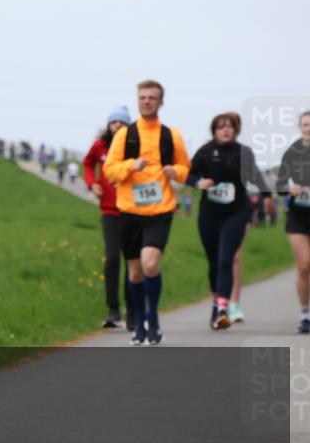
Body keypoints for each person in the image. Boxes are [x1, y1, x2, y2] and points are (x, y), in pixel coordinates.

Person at [103, 80, 191, 345]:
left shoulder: (171, 135)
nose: (147, 101)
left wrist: (176, 172)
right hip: (129, 210)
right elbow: (109, 170)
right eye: (143, 97)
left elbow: (186, 169)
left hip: (161, 209)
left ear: (161, 102)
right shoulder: (124, 135)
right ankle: (140, 321)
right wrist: (131, 165)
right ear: (137, 100)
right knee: (135, 273)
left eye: (152, 98)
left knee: (150, 263)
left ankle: (153, 318)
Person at [187, 112, 274, 330]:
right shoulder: (205, 152)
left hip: (236, 212)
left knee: (226, 258)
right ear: (214, 131)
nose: (225, 130)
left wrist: (267, 197)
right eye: (220, 127)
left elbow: (255, 175)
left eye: (229, 127)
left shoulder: (243, 153)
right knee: (214, 261)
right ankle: (216, 306)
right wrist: (198, 183)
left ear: (236, 130)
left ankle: (223, 309)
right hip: (209, 213)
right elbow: (188, 175)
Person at [83, 105, 134, 330]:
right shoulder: (100, 146)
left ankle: (133, 310)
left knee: (133, 262)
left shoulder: (135, 146)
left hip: (133, 211)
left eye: (121, 122)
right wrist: (92, 183)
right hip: (110, 211)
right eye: (114, 122)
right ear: (108, 125)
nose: (117, 126)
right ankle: (113, 310)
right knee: (112, 258)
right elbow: (87, 164)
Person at [275, 111, 310, 334]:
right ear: (300, 127)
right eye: (305, 124)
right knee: (305, 265)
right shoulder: (292, 152)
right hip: (298, 216)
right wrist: (289, 188)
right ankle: (305, 314)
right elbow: (279, 184)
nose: (308, 128)